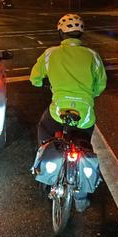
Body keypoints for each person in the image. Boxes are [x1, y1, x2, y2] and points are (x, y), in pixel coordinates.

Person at [29, 13, 107, 210]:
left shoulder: (50, 53)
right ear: (80, 34)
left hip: (59, 111)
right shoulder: (93, 56)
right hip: (85, 113)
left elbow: (34, 78)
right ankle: (81, 196)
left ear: (61, 34)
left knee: (44, 127)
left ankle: (43, 163)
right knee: (84, 144)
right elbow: (100, 86)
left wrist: (42, 83)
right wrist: (91, 94)